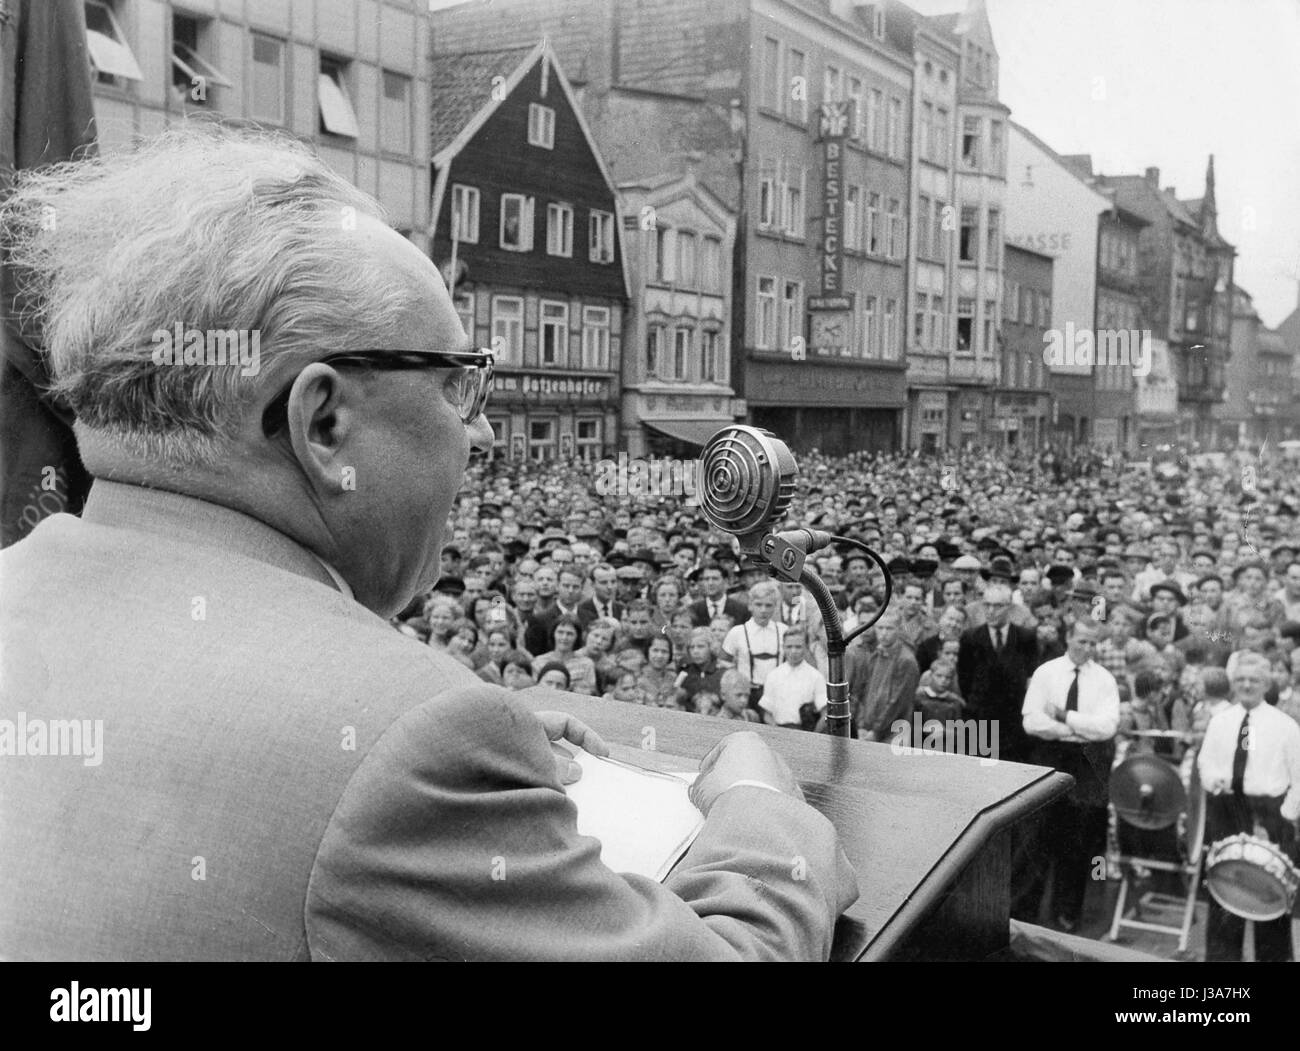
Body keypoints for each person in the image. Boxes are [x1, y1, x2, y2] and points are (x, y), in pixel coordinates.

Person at [0, 126, 857, 961]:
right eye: (456, 386)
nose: (480, 436)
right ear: (324, 424)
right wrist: (754, 796)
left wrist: (482, 771)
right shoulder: (408, 741)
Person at [1196, 652, 1300, 962]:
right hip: (1226, 809)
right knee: (1224, 893)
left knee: (1269, 897)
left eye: (1254, 680)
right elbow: (1205, 762)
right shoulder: (1220, 720)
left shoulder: (1286, 726)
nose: (1246, 685)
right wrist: (1214, 780)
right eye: (1240, 679)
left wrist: (1284, 815)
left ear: (1267, 684)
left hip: (1269, 814)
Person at [1020, 619, 1120, 933]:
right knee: (1036, 836)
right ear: (1068, 638)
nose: (1087, 649)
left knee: (1076, 843)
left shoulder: (1104, 680)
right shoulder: (1046, 673)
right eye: (1082, 642)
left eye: (1093, 643)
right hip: (1049, 756)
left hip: (1087, 763)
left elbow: (1107, 727)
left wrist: (1064, 716)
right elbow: (1032, 722)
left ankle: (1067, 914)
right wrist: (1075, 728)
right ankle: (1024, 913)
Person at [956, 583, 1038, 763]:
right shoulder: (971, 637)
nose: (991, 611)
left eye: (998, 606)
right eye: (987, 605)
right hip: (980, 718)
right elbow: (965, 678)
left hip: (1014, 720)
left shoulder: (1025, 637)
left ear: (1010, 608)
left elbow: (1031, 676)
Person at [846, 611, 919, 741]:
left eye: (889, 628)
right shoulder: (876, 654)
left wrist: (876, 731)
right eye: (880, 628)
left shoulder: (906, 660)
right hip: (867, 728)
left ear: (899, 629)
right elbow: (863, 691)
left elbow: (898, 702)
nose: (884, 633)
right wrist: (861, 724)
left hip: (894, 730)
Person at [722, 581, 787, 710]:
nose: (763, 610)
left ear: (775, 607)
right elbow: (723, 662)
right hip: (747, 696)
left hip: (777, 694)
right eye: (758, 605)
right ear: (750, 605)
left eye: (768, 606)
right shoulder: (737, 632)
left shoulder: (783, 631)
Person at [758, 628, 828, 731]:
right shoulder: (773, 675)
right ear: (783, 647)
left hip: (805, 732)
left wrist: (813, 737)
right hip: (779, 731)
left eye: (798, 647)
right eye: (789, 647)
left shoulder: (816, 677)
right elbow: (767, 714)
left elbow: (825, 714)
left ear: (806, 647)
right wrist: (776, 731)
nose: (793, 651)